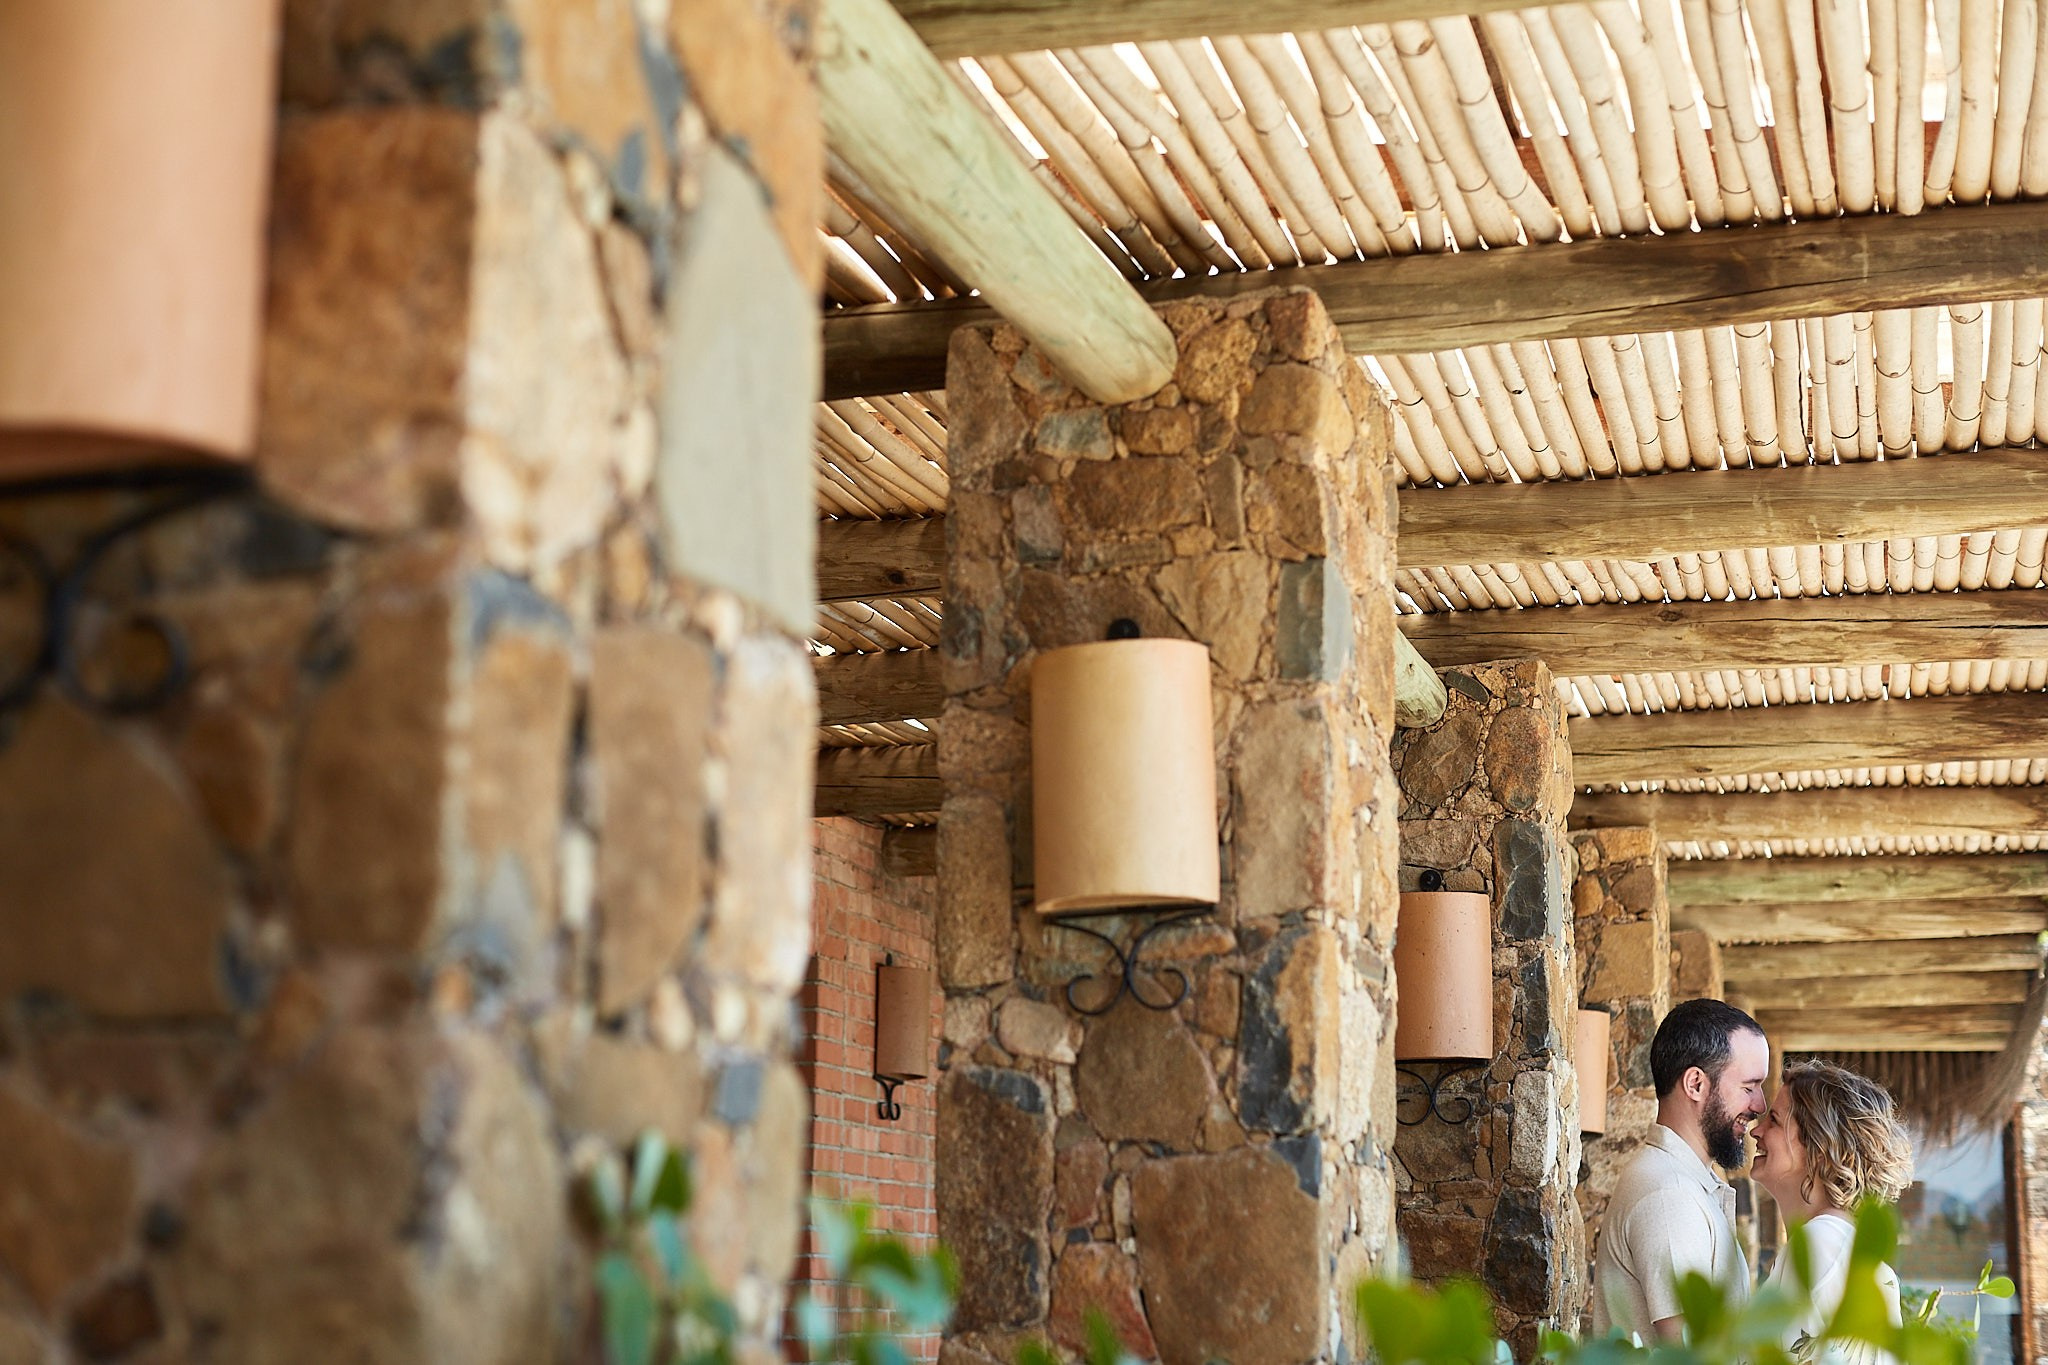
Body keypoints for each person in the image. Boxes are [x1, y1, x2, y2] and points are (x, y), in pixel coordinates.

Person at [1594, 998, 1772, 1343]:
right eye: (1749, 1087)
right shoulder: (1670, 1196)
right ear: (1695, 1084)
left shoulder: (1683, 1183)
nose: (1760, 1106)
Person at [1751, 1059, 1914, 1362]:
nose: (1756, 1131)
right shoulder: (1837, 1246)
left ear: (1818, 1146)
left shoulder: (1821, 1244)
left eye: (1773, 1120)